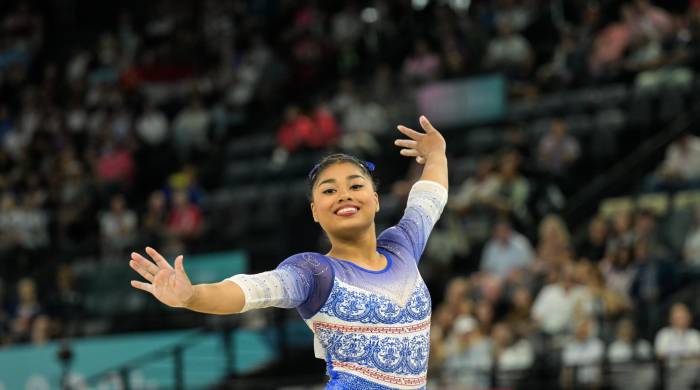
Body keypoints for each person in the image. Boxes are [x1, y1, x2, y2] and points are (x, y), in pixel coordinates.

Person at [129, 116, 449, 389]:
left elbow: (429, 197)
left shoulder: (401, 247)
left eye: (355, 185)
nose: (343, 195)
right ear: (315, 211)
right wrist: (192, 297)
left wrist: (436, 152)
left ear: (376, 200)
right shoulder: (314, 272)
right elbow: (252, 290)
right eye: (329, 191)